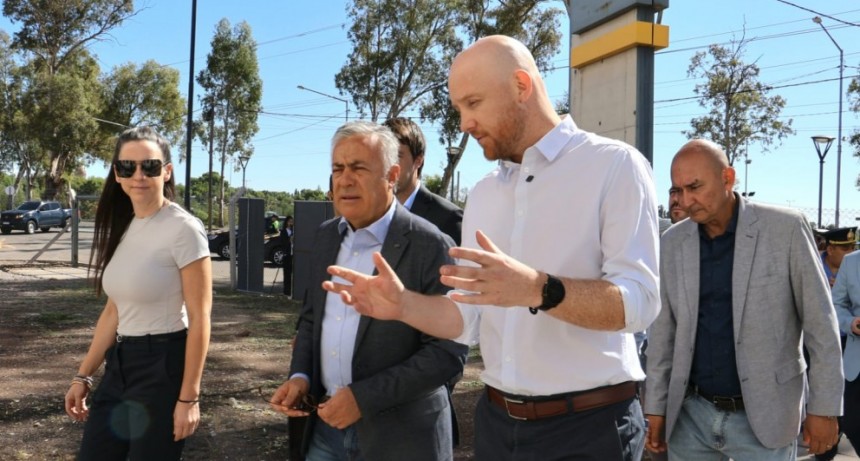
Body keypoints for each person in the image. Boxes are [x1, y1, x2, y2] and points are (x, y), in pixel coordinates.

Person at [322, 35, 660, 460]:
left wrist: (539, 288)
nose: (464, 122)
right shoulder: (483, 194)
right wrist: (404, 305)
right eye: (459, 108)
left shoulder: (615, 166)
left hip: (588, 430)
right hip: (497, 425)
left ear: (522, 86)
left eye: (473, 103)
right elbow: (466, 320)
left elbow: (640, 304)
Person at [270, 121, 468, 461]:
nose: (345, 179)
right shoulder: (325, 237)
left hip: (402, 440)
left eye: (359, 168)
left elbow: (447, 354)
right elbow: (310, 320)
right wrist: (301, 376)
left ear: (392, 175)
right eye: (338, 168)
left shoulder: (432, 245)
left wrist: (364, 398)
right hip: (324, 431)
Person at [644, 139, 843, 459]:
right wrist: (655, 408)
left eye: (695, 186)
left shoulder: (786, 229)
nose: (686, 200)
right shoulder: (672, 243)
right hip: (690, 418)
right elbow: (663, 333)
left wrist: (825, 409)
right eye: (678, 190)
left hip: (767, 417)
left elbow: (821, 325)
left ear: (728, 178)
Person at [64, 126, 212, 460]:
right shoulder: (125, 225)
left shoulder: (184, 229)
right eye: (128, 167)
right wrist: (83, 375)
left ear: (167, 171)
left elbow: (201, 319)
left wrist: (189, 398)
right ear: (117, 174)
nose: (139, 175)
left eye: (150, 166)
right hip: (120, 366)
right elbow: (114, 312)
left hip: (163, 366)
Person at [383, 117, 463, 245]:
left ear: (418, 160)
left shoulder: (448, 218)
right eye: (383, 155)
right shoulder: (368, 214)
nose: (388, 164)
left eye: (397, 156)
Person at [817, 226, 856, 461]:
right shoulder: (814, 264)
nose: (850, 251)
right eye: (845, 248)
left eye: (852, 246)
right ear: (830, 249)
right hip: (825, 344)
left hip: (847, 344)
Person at [831, 249, 860, 458]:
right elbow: (835, 304)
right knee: (852, 422)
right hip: (856, 362)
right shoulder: (851, 262)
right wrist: (850, 323)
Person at [281, 215, 294, 297]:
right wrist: (289, 239)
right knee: (287, 274)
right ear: (286, 222)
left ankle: (292, 290)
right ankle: (286, 291)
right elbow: (283, 242)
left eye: (292, 221)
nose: (291, 223)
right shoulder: (284, 231)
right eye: (289, 221)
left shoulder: (294, 230)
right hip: (286, 254)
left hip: (293, 253)